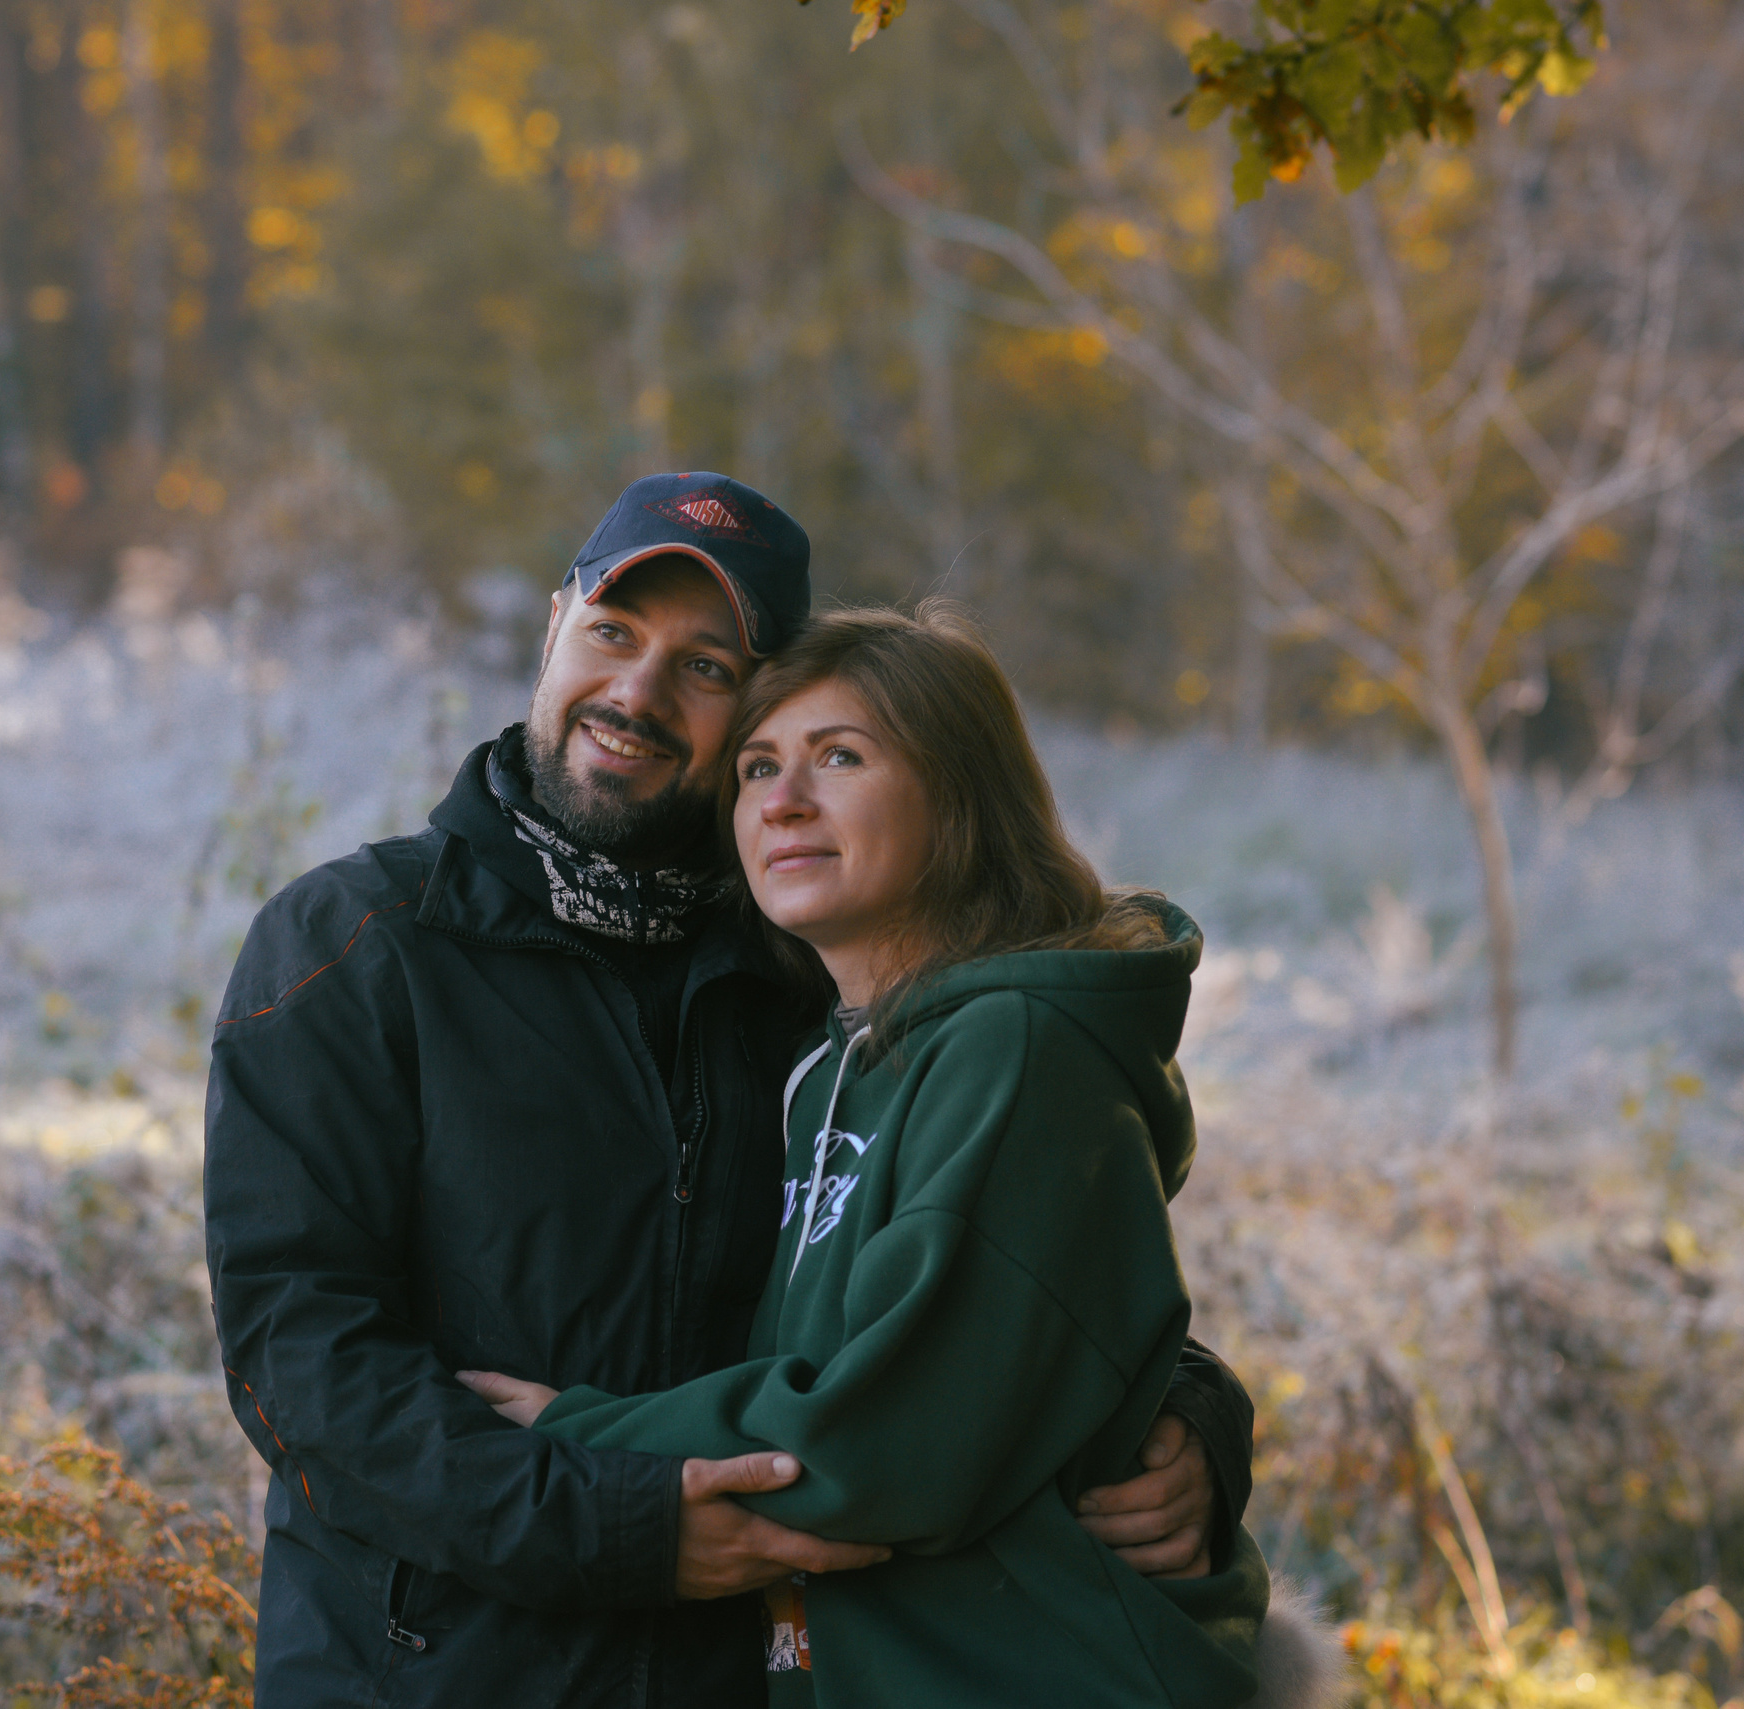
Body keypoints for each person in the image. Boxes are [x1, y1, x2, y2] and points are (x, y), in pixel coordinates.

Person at [203, 474, 1255, 1708]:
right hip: (436, 1671)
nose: (638, 692)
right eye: (612, 632)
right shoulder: (361, 942)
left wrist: (1191, 1417)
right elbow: (302, 1353)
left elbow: (995, 1282)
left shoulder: (811, 977)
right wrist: (615, 1517)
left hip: (748, 1674)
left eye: (705, 668)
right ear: (554, 627)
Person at [458, 604, 1337, 1708]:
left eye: (841, 756)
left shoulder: (1015, 1050)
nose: (781, 799)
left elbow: (890, 1435)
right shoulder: (829, 1065)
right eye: (758, 766)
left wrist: (572, 1432)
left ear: (960, 798)